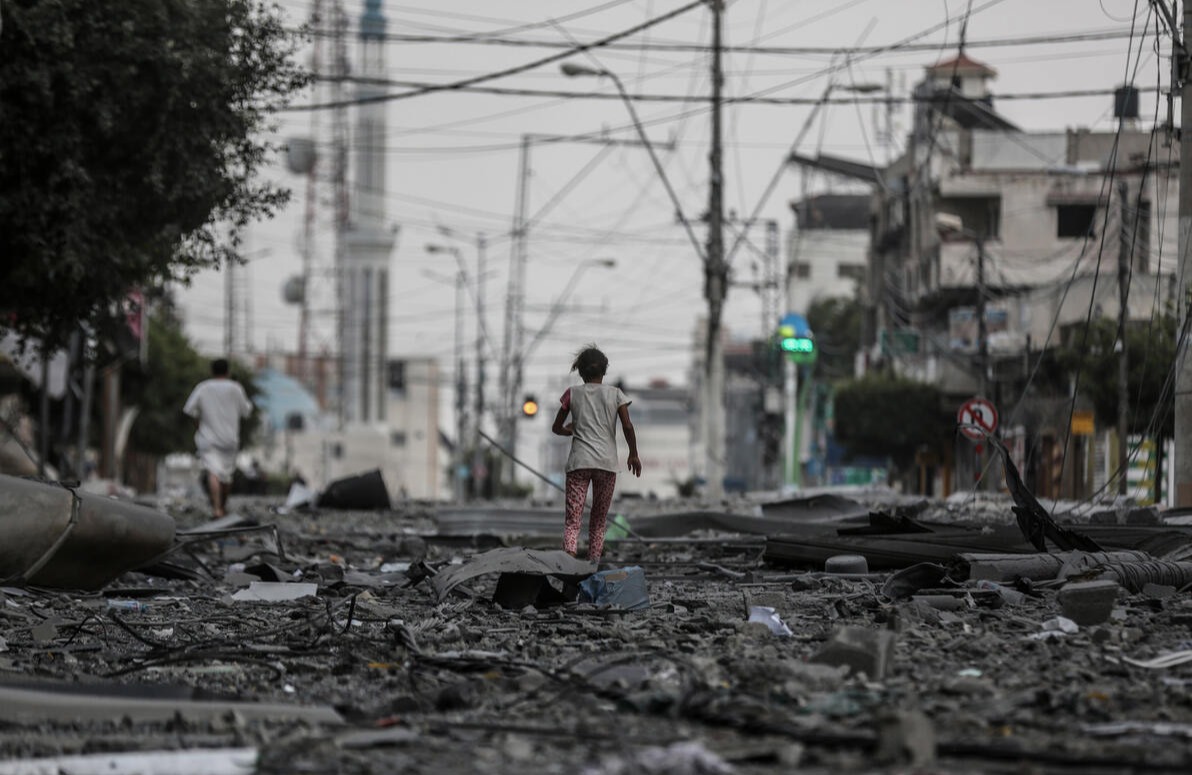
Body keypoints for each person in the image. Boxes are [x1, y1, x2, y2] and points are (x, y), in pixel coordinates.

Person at [551, 345, 642, 563]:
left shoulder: (572, 394)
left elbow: (556, 427)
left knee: (573, 522)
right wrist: (633, 454)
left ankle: (569, 566)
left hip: (579, 463)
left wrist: (570, 430)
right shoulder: (616, 395)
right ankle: (593, 566)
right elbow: (628, 427)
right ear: (605, 371)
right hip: (606, 464)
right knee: (599, 521)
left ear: (580, 372)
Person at [183, 358, 253, 517]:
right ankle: (222, 505)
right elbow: (246, 411)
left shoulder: (203, 387)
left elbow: (189, 410)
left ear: (212, 371)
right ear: (228, 371)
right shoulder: (236, 388)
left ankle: (216, 508)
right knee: (226, 476)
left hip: (208, 438)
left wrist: (199, 425)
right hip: (230, 439)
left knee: (213, 473)